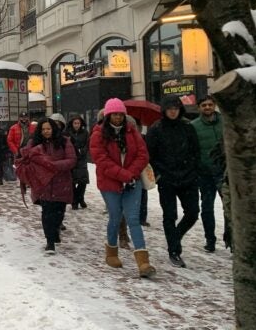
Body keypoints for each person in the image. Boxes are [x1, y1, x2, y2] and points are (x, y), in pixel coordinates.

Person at [90, 98, 155, 278]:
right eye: (114, 114)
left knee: (133, 219)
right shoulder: (98, 134)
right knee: (116, 217)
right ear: (108, 115)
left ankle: (143, 261)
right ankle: (111, 252)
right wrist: (123, 175)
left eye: (120, 114)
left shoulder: (132, 132)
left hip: (133, 182)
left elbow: (143, 155)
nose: (118, 117)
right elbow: (101, 160)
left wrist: (131, 173)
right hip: (110, 183)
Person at [146, 95, 201, 268]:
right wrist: (159, 174)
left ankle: (176, 236)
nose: (173, 111)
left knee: (192, 212)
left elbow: (195, 151)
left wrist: (193, 171)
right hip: (167, 179)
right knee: (170, 215)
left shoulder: (187, 127)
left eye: (176, 108)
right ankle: (174, 250)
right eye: (170, 108)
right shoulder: (156, 129)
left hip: (188, 177)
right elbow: (150, 155)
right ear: (164, 110)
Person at [16, 118, 76, 254]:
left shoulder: (65, 141)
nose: (46, 131)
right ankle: (50, 242)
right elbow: (26, 156)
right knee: (47, 212)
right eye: (43, 129)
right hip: (43, 183)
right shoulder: (34, 143)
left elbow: (72, 160)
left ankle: (55, 232)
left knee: (59, 213)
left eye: (48, 129)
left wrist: (54, 166)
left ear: (54, 128)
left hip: (62, 183)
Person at [191, 95, 224, 253]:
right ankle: (210, 239)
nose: (207, 107)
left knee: (230, 208)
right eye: (204, 105)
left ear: (215, 105)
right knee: (207, 208)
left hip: (225, 173)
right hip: (205, 174)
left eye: (210, 104)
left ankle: (231, 239)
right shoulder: (194, 126)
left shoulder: (225, 122)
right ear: (199, 108)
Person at [66, 114, 90, 209]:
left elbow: (87, 144)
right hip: (71, 159)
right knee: (72, 182)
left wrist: (82, 151)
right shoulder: (67, 133)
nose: (76, 125)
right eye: (75, 123)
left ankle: (81, 198)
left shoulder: (85, 133)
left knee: (82, 181)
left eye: (78, 123)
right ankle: (74, 201)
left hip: (82, 159)